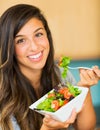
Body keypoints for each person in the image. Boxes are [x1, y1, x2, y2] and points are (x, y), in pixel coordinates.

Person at [0, 4, 100, 130]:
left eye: (38, 34)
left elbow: (86, 128)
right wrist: (48, 128)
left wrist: (85, 88)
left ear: (47, 35)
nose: (35, 47)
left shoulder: (61, 74)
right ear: (9, 48)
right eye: (21, 40)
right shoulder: (3, 93)